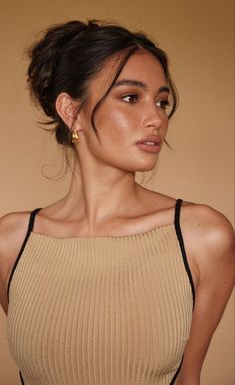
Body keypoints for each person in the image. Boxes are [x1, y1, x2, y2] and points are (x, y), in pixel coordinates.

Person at [0, 20, 234, 385]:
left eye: (162, 101)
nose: (156, 117)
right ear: (71, 110)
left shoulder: (202, 237)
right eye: (130, 97)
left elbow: (189, 379)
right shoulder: (11, 243)